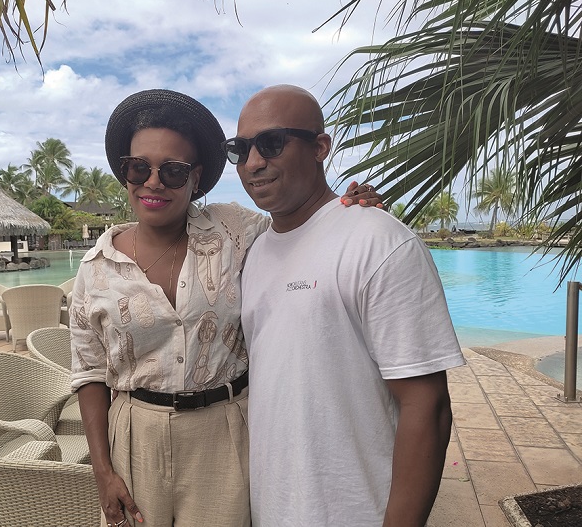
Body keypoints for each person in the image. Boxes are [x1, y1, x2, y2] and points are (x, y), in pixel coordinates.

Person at [69, 89, 381, 527]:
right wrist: (102, 471)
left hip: (223, 432)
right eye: (139, 167)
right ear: (126, 173)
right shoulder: (95, 267)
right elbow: (88, 374)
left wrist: (351, 211)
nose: (153, 183)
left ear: (196, 178)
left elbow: (303, 222)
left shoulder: (236, 230)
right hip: (135, 437)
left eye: (173, 171)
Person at [231, 84, 466, 526]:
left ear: (320, 147)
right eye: (240, 149)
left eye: (271, 143)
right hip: (274, 509)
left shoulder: (378, 241)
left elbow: (428, 407)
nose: (253, 162)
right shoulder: (256, 250)